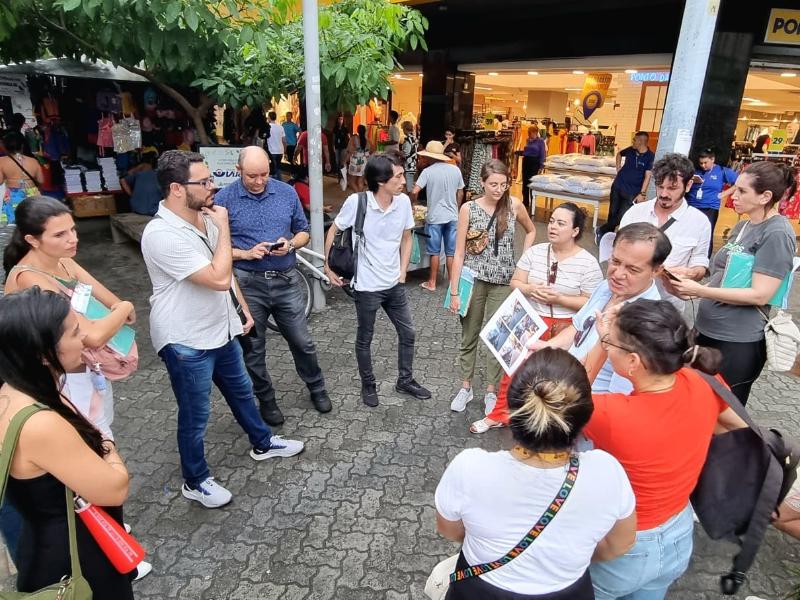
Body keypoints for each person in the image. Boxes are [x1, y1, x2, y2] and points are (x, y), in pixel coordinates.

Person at [141, 150, 304, 509]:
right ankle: (195, 480)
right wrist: (225, 227)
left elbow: (226, 274)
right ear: (177, 189)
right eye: (204, 182)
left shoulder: (206, 218)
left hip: (220, 328)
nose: (213, 187)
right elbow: (217, 276)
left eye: (211, 179)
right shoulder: (161, 234)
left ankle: (263, 442)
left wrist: (242, 310)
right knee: (195, 414)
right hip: (185, 339)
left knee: (243, 393)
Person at [3, 195, 152, 581]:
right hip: (63, 380)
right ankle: (106, 539)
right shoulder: (27, 279)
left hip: (85, 374)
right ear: (32, 239)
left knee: (98, 440)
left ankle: (107, 526)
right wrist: (122, 310)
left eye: (72, 229)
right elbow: (93, 333)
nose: (73, 239)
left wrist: (114, 312)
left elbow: (104, 305)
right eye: (60, 234)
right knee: (90, 452)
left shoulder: (64, 261)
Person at [435, 348, 637, 600]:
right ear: (585, 416)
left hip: (480, 589)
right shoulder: (607, 472)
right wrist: (566, 559)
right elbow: (619, 544)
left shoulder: (469, 468)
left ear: (511, 412)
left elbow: (450, 530)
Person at [583, 299, 748, 600]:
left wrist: (600, 342)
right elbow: (738, 427)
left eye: (612, 344)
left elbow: (571, 392)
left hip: (625, 545)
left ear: (633, 362)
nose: (608, 346)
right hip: (678, 532)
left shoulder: (611, 414)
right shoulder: (702, 381)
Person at [0, 287, 133, 598]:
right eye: (74, 333)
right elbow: (115, 488)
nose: (84, 339)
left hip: (44, 543)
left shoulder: (12, 391)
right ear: (43, 354)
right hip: (76, 561)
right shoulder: (40, 423)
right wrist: (104, 438)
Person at [214, 146, 331, 426]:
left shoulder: (286, 192)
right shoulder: (223, 200)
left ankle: (317, 387)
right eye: (252, 176)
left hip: (286, 281)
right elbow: (216, 249)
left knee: (302, 342)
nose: (259, 181)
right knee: (253, 349)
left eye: (264, 174)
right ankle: (266, 400)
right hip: (248, 285)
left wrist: (289, 244)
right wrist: (245, 254)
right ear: (238, 171)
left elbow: (303, 231)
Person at [671, 161, 797, 405]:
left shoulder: (777, 233)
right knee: (694, 402)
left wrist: (700, 291)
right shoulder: (743, 225)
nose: (732, 196)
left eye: (741, 191)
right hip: (707, 330)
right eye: (734, 188)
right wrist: (690, 275)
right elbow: (726, 274)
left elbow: (760, 294)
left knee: (723, 409)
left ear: (765, 197)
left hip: (737, 340)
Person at [472, 203, 603, 433]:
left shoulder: (588, 263)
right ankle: (499, 414)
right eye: (551, 221)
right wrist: (531, 289)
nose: (552, 227)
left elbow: (591, 303)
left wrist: (560, 299)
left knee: (556, 377)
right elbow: (515, 282)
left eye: (560, 223)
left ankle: (549, 421)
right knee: (513, 369)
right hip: (530, 319)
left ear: (575, 231)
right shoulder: (535, 252)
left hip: (565, 326)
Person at [323, 152, 430, 407]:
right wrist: (326, 267)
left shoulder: (402, 203)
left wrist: (403, 272)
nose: (404, 181)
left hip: (394, 285)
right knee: (365, 338)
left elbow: (407, 238)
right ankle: (368, 384)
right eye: (398, 176)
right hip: (367, 287)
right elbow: (335, 228)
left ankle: (405, 380)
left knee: (408, 332)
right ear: (381, 181)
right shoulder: (357, 202)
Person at [534, 223, 670, 394]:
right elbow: (578, 328)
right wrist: (547, 347)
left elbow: (622, 395)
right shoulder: (606, 286)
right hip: (563, 382)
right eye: (615, 261)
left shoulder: (648, 323)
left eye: (633, 269)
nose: (617, 274)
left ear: (656, 271)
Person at [448, 160, 536, 415]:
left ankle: (490, 390)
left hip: (503, 282)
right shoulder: (468, 208)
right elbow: (459, 253)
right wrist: (454, 291)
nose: (498, 189)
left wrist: (524, 260)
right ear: (482, 183)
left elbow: (531, 231)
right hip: (473, 280)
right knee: (469, 335)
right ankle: (465, 387)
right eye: (493, 184)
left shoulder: (514, 205)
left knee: (498, 338)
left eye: (503, 184)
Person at [620, 153, 710, 311]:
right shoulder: (635, 213)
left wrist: (690, 273)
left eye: (672, 188)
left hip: (667, 308)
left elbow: (700, 264)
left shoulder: (700, 222)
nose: (663, 194)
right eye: (660, 186)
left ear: (688, 185)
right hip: (627, 302)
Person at [412, 141, 465, 292]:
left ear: (430, 157)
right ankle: (452, 284)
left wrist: (412, 203)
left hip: (435, 217)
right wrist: (456, 208)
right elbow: (460, 192)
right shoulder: (455, 170)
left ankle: (432, 282)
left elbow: (415, 191)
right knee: (451, 252)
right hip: (452, 216)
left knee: (434, 251)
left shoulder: (428, 172)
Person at [596, 131, 654, 241]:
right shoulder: (630, 150)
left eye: (634, 140)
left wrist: (642, 193)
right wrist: (618, 168)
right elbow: (619, 154)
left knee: (622, 216)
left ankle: (602, 230)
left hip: (632, 192)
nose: (633, 142)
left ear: (640, 141)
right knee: (612, 213)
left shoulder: (650, 156)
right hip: (618, 186)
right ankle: (606, 237)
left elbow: (647, 176)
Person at [685, 147, 738, 255]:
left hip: (710, 207)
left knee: (706, 233)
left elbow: (739, 182)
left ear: (712, 159)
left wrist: (723, 194)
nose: (703, 165)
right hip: (692, 205)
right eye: (701, 163)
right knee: (689, 232)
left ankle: (705, 257)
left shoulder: (721, 171)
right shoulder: (695, 171)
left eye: (705, 163)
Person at [0, 131, 43, 225]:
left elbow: (0, 181)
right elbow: (41, 180)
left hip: (13, 195)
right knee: (34, 223)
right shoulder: (33, 161)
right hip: (32, 194)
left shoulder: (1, 161)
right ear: (22, 146)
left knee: (15, 223)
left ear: (5, 147)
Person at [120, 151, 161, 216]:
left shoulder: (140, 173)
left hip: (136, 208)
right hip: (152, 210)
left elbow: (122, 180)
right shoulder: (162, 176)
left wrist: (131, 194)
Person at [521, 126, 546, 206]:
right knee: (525, 181)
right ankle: (525, 201)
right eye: (528, 132)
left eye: (530, 132)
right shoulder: (528, 140)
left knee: (532, 181)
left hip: (534, 163)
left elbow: (542, 153)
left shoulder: (540, 141)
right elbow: (526, 151)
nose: (529, 134)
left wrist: (541, 166)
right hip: (526, 161)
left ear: (535, 132)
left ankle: (533, 201)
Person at [345, 125, 371, 193]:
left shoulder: (353, 139)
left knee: (351, 181)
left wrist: (344, 161)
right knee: (360, 181)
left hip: (355, 162)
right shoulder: (367, 140)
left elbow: (349, 151)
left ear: (358, 131)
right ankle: (360, 195)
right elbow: (370, 151)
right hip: (364, 162)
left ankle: (358, 195)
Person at [265, 111, 286, 179]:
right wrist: (285, 150)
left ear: (269, 117)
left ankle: (276, 182)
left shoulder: (267, 127)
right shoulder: (281, 127)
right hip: (280, 151)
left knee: (273, 169)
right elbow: (284, 140)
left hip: (271, 151)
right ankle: (279, 181)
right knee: (278, 168)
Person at [400, 121, 418, 192]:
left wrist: (397, 152)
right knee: (411, 185)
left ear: (405, 129)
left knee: (409, 187)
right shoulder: (414, 138)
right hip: (413, 164)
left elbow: (406, 154)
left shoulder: (408, 140)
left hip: (408, 165)